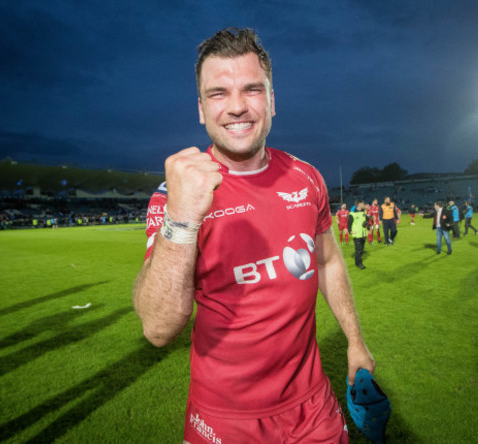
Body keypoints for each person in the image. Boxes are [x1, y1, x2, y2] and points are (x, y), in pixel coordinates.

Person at [133, 28, 374, 443]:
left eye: (252, 89)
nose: (238, 107)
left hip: (313, 407)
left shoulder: (306, 176)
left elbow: (328, 261)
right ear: (201, 109)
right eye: (219, 93)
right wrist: (183, 217)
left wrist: (355, 341)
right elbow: (157, 328)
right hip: (225, 419)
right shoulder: (179, 193)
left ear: (272, 100)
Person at [348, 200, 368, 270]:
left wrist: (368, 225)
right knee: (358, 250)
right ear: (359, 204)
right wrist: (350, 231)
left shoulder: (364, 212)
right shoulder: (352, 213)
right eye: (363, 203)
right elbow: (349, 224)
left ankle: (357, 262)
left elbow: (366, 220)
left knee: (361, 249)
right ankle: (359, 264)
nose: (364, 204)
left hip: (363, 234)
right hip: (356, 234)